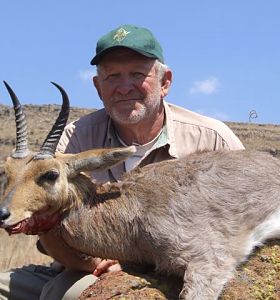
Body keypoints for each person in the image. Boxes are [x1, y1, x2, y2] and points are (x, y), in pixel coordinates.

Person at [0, 24, 244, 300]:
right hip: (83, 266)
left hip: (178, 269)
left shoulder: (212, 139)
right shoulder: (74, 138)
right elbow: (47, 221)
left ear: (165, 82)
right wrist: (94, 264)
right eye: (113, 76)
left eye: (138, 74)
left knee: (65, 295)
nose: (125, 87)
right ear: (97, 86)